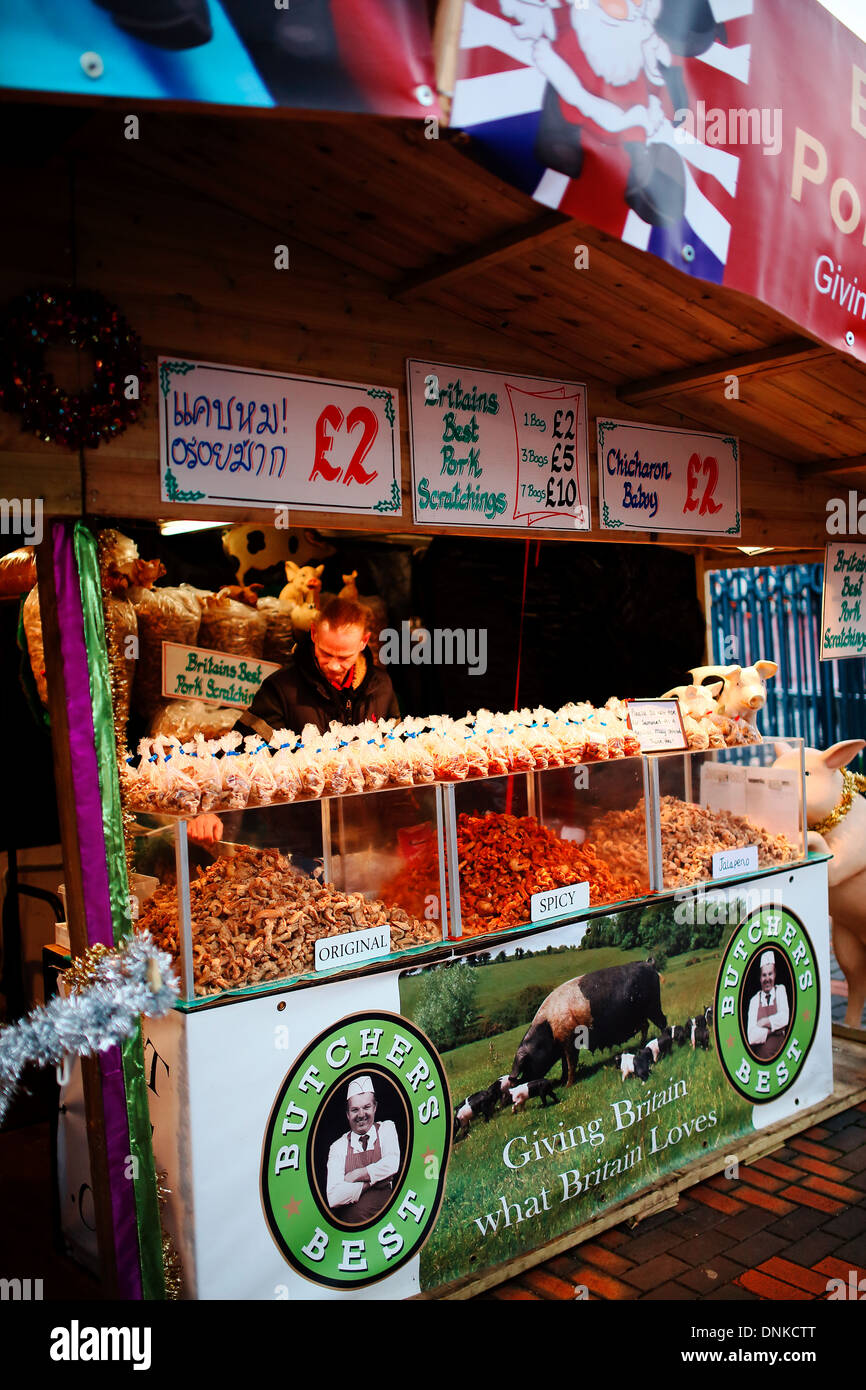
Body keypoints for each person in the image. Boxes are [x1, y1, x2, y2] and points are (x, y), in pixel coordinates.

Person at [187, 595, 398, 847]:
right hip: (298, 839)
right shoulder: (281, 689)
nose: (334, 665)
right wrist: (210, 809)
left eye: (344, 657)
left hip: (367, 838)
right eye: (326, 653)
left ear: (364, 641)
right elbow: (240, 753)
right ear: (314, 635)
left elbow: (399, 759)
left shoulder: (381, 687)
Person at [325, 1076, 400, 1222]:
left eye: (366, 1107)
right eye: (354, 1110)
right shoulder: (338, 1147)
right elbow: (333, 1197)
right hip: (354, 1235)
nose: (361, 1115)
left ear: (375, 1107)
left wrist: (357, 1174)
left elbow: (392, 1163)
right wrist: (372, 1181)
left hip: (387, 1226)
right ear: (347, 1114)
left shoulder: (387, 1128)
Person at [746, 950, 790, 1061]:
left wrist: (764, 1022)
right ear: (760, 978)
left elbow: (785, 1018)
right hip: (762, 1062)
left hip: (781, 1059)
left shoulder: (780, 990)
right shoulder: (754, 1000)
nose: (767, 979)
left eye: (770, 974)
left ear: (775, 974)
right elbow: (751, 1037)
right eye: (764, 975)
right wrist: (775, 1029)